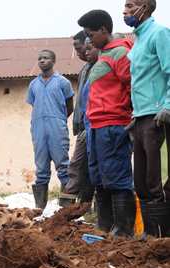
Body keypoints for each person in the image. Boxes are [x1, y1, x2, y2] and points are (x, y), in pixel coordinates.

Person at [78, 9, 135, 237]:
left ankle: (123, 232)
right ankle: (104, 227)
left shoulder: (120, 52)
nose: (89, 41)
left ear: (103, 29)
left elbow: (132, 85)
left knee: (117, 177)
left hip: (113, 124)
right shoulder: (103, 54)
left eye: (91, 35)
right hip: (96, 125)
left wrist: (130, 117)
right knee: (99, 176)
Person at [123, 0, 170, 237]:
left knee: (155, 180)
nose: (125, 11)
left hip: (157, 116)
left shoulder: (159, 33)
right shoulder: (138, 40)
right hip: (141, 117)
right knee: (139, 181)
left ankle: (160, 239)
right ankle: (149, 235)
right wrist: (135, 114)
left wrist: (168, 105)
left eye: (130, 6)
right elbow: (140, 81)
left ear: (146, 8)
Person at [27, 50, 74, 209]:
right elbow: (35, 105)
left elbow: (69, 106)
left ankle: (67, 208)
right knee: (41, 169)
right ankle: (39, 208)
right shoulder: (33, 84)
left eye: (46, 58)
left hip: (57, 128)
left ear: (53, 61)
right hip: (38, 129)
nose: (42, 61)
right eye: (39, 58)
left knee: (63, 166)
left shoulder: (63, 82)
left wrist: (57, 119)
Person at [59, 32, 96, 207]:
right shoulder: (85, 70)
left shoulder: (98, 67)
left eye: (78, 47)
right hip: (84, 126)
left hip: (93, 125)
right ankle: (84, 207)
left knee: (76, 166)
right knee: (87, 169)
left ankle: (66, 208)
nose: (80, 52)